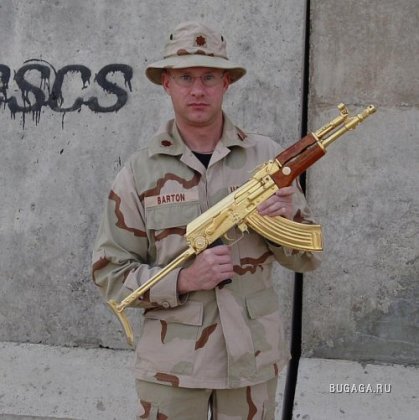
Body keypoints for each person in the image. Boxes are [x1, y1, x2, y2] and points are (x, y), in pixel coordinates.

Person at [92, 21, 321, 420]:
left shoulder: (266, 160)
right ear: (167, 83)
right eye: (185, 78)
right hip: (173, 369)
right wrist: (184, 279)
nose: (197, 90)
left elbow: (307, 258)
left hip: (252, 361)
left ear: (226, 83)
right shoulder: (138, 173)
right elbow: (110, 273)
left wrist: (287, 220)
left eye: (209, 77)